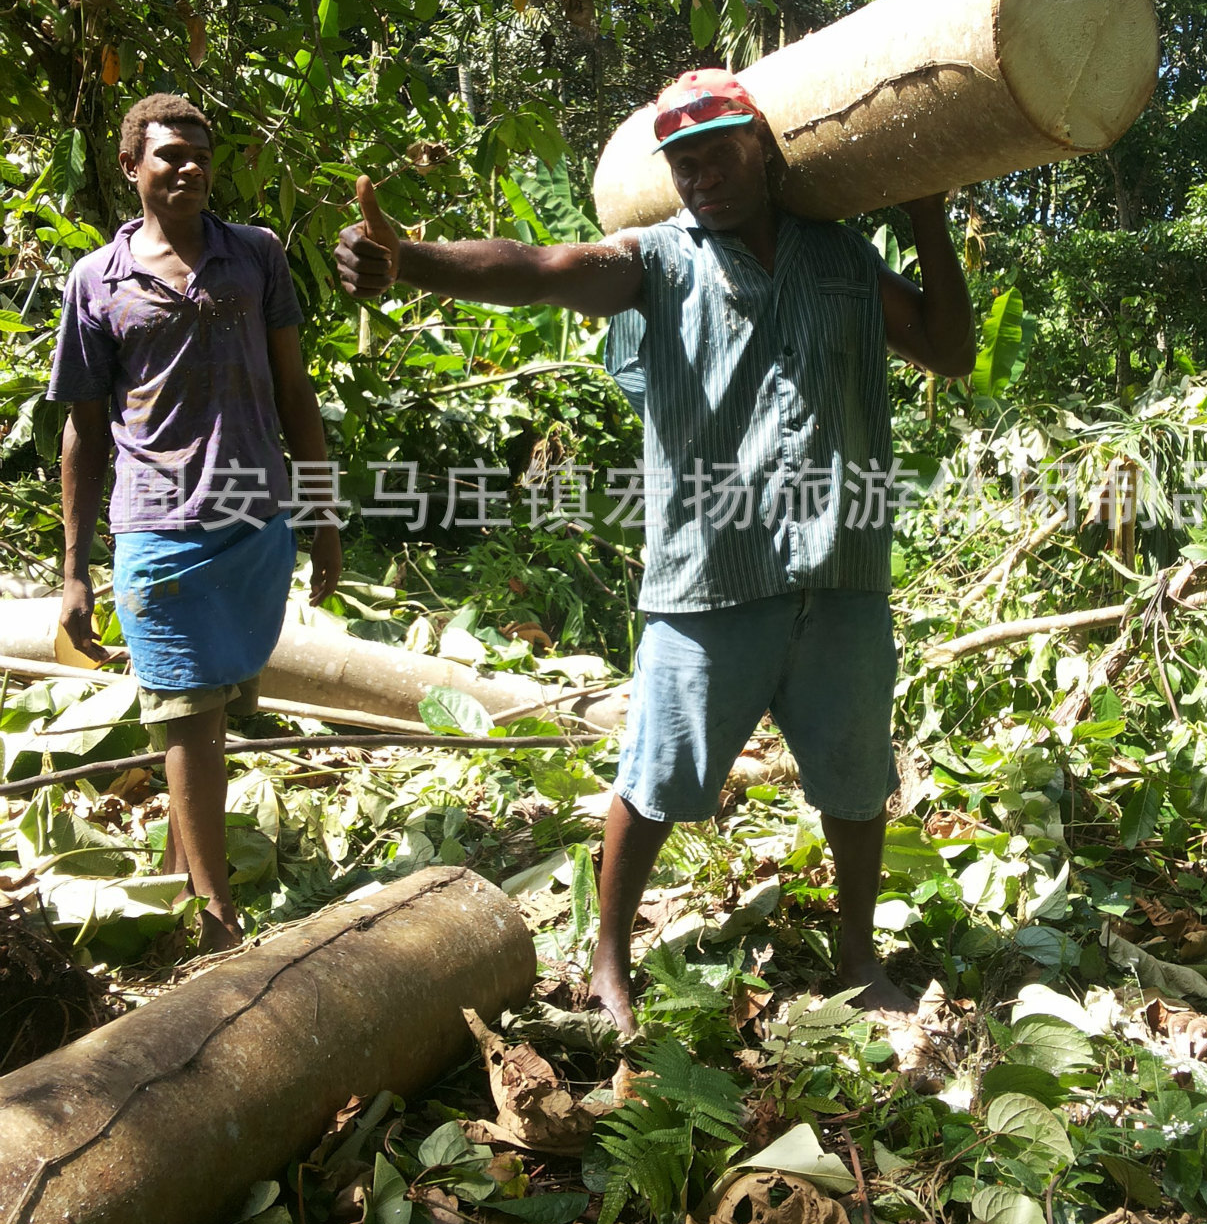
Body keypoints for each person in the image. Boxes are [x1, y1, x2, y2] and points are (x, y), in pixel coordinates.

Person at [335, 69, 974, 1031]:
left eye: (719, 153)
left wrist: (927, 208)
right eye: (684, 162)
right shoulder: (658, 262)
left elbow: (950, 349)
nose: (703, 177)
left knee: (854, 778)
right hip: (714, 578)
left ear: (762, 146)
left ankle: (855, 958)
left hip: (842, 569)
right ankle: (608, 959)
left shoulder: (842, 258)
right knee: (658, 780)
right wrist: (413, 260)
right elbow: (537, 267)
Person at [49, 93, 343, 949]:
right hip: (157, 525)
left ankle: (185, 883)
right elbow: (83, 426)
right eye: (169, 154)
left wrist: (320, 517)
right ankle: (218, 923)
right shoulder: (95, 282)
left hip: (253, 519)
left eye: (201, 154)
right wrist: (76, 568)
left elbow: (295, 390)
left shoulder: (254, 257)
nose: (188, 167)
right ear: (132, 167)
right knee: (187, 715)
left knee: (219, 705)